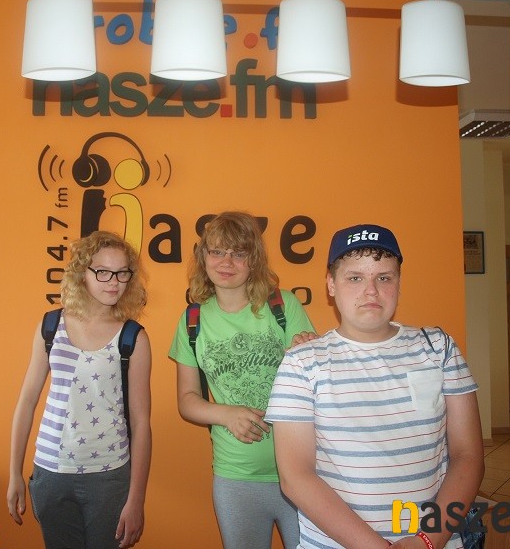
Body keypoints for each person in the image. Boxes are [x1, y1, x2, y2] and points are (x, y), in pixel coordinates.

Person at [266, 224, 484, 549]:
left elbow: (468, 455)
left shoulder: (439, 349)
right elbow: (296, 477)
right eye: (355, 278)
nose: (371, 291)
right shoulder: (302, 363)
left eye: (384, 277)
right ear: (331, 284)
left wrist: (427, 540)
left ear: (398, 282)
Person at [168, 211, 316, 549]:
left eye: (239, 253)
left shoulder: (283, 305)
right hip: (235, 475)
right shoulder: (192, 320)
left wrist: (309, 352)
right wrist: (226, 414)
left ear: (255, 259)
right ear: (203, 257)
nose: (227, 262)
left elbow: (316, 384)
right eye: (217, 251)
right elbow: (187, 400)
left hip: (301, 469)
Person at [8, 231, 152, 549]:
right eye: (102, 271)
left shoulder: (133, 338)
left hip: (108, 475)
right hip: (50, 473)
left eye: (122, 273)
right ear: (82, 273)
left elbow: (141, 423)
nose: (113, 282)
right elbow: (27, 401)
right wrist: (14, 472)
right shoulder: (51, 327)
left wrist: (136, 499)